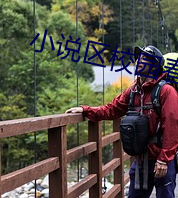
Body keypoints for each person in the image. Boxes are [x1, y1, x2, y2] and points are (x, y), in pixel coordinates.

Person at [66, 45, 178, 198]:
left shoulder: (166, 91)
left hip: (161, 159)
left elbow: (172, 127)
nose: (139, 60)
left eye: (145, 58)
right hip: (141, 159)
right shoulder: (133, 91)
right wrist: (86, 110)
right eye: (139, 57)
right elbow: (112, 109)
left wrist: (164, 160)